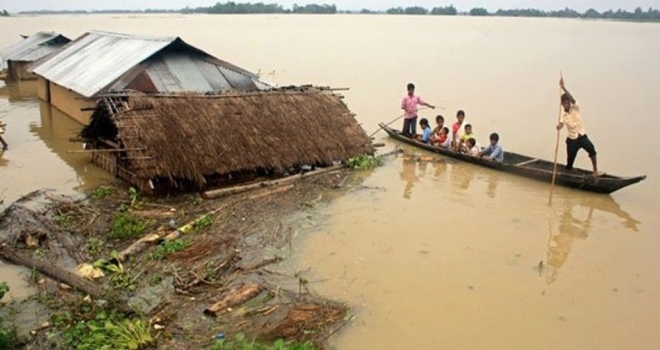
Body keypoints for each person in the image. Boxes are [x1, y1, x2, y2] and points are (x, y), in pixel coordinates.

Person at [556, 78, 601, 176]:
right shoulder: (562, 113)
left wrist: (563, 87)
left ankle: (595, 171)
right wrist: (559, 126)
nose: (567, 104)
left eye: (568, 102)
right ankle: (569, 172)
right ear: (562, 104)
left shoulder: (575, 107)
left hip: (582, 136)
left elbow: (572, 98)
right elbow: (561, 123)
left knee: (592, 150)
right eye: (565, 103)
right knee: (569, 165)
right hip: (572, 140)